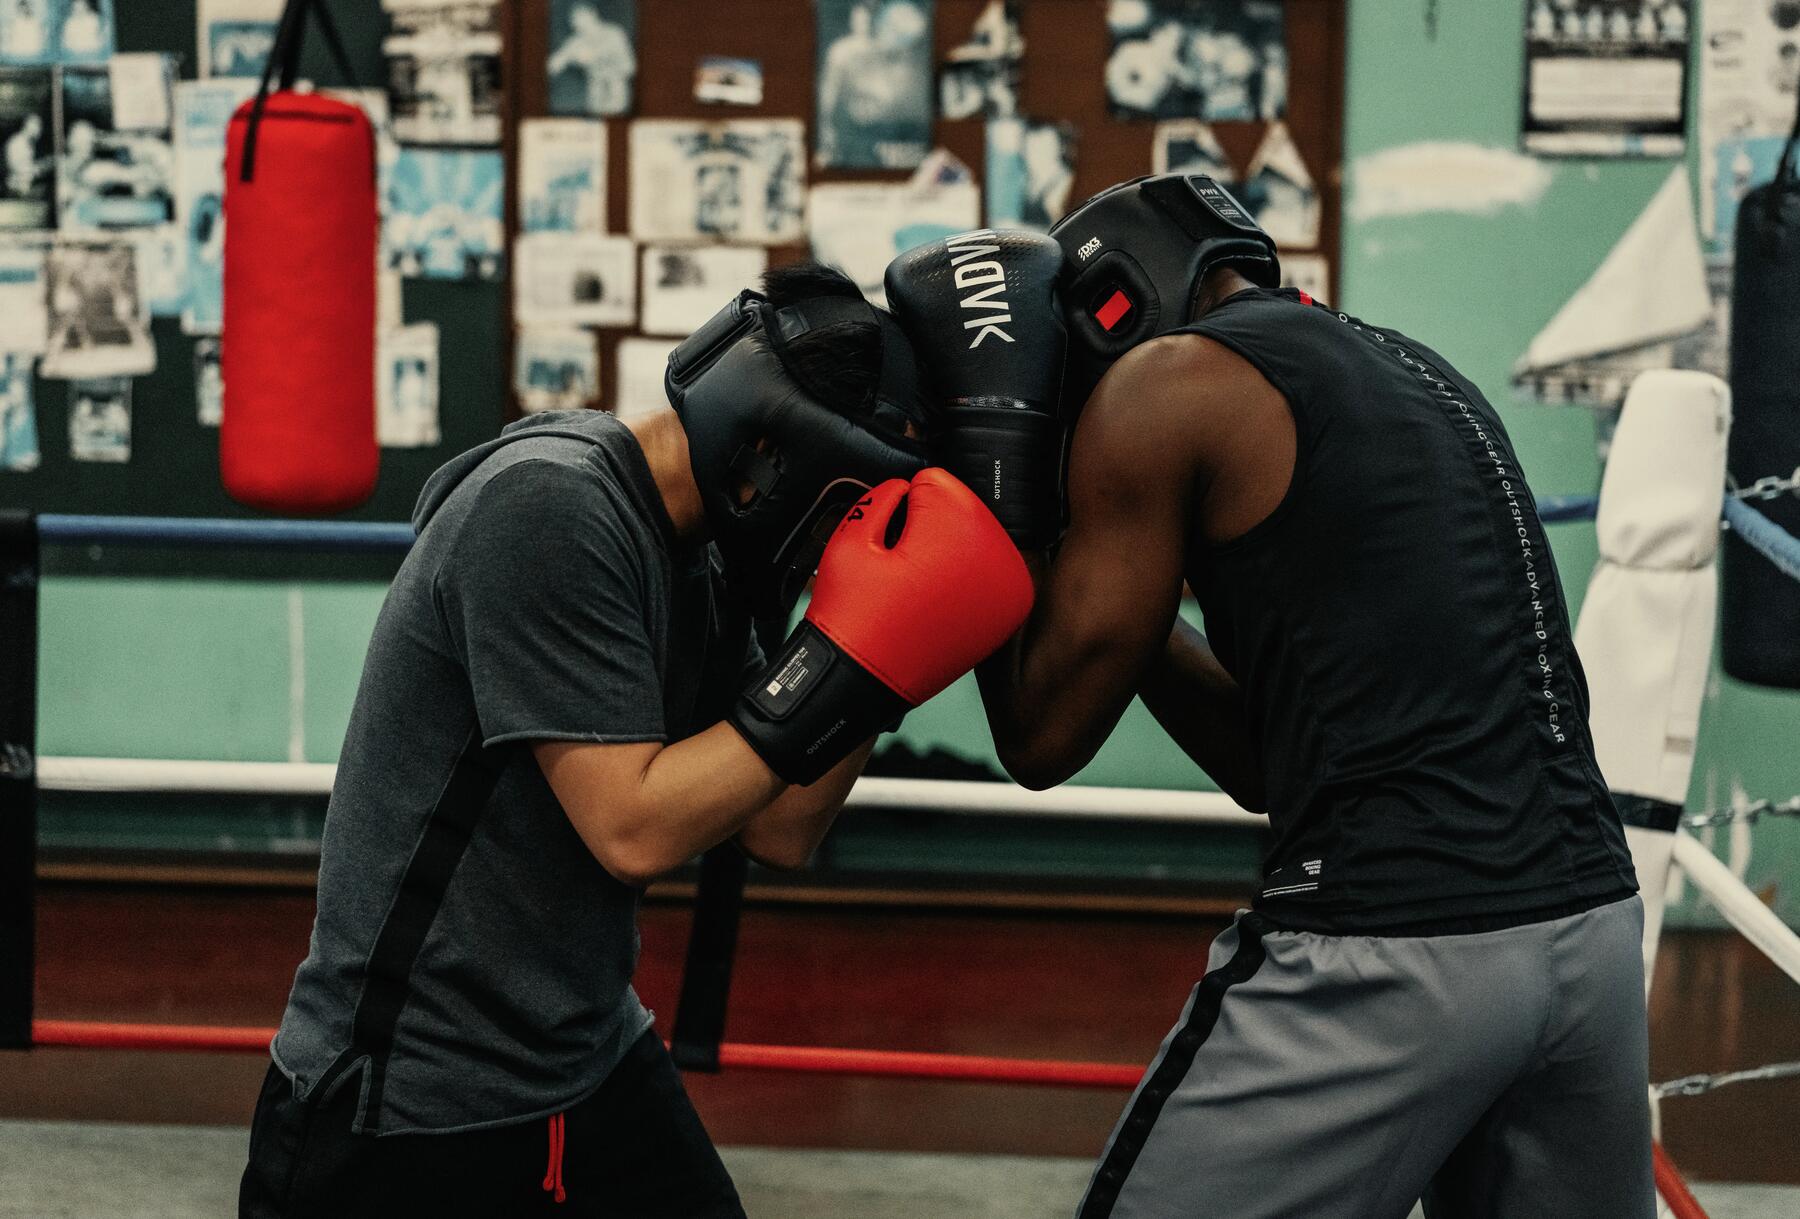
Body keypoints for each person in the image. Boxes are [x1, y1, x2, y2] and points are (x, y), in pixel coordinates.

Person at [884, 178, 1652, 1218]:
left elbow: (1039, 736)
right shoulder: (1418, 371)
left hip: (1396, 948)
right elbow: (1265, 760)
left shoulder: (1161, 384)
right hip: (1590, 938)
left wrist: (991, 484)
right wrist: (1124, 592)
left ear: (1108, 303)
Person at [239, 264, 1033, 1218]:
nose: (840, 534)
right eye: (850, 503)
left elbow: (780, 827)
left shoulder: (701, 553)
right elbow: (636, 828)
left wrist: (888, 656)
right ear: (780, 454)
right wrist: (845, 655)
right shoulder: (551, 509)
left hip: (587, 1057)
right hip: (412, 1099)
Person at [548, 1, 635, 116]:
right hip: (594, 94)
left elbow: (630, 67)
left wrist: (599, 57)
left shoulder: (614, 34)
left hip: (615, 91)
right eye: (574, 21)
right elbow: (554, 63)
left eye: (581, 19)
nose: (577, 25)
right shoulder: (576, 41)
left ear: (592, 15)